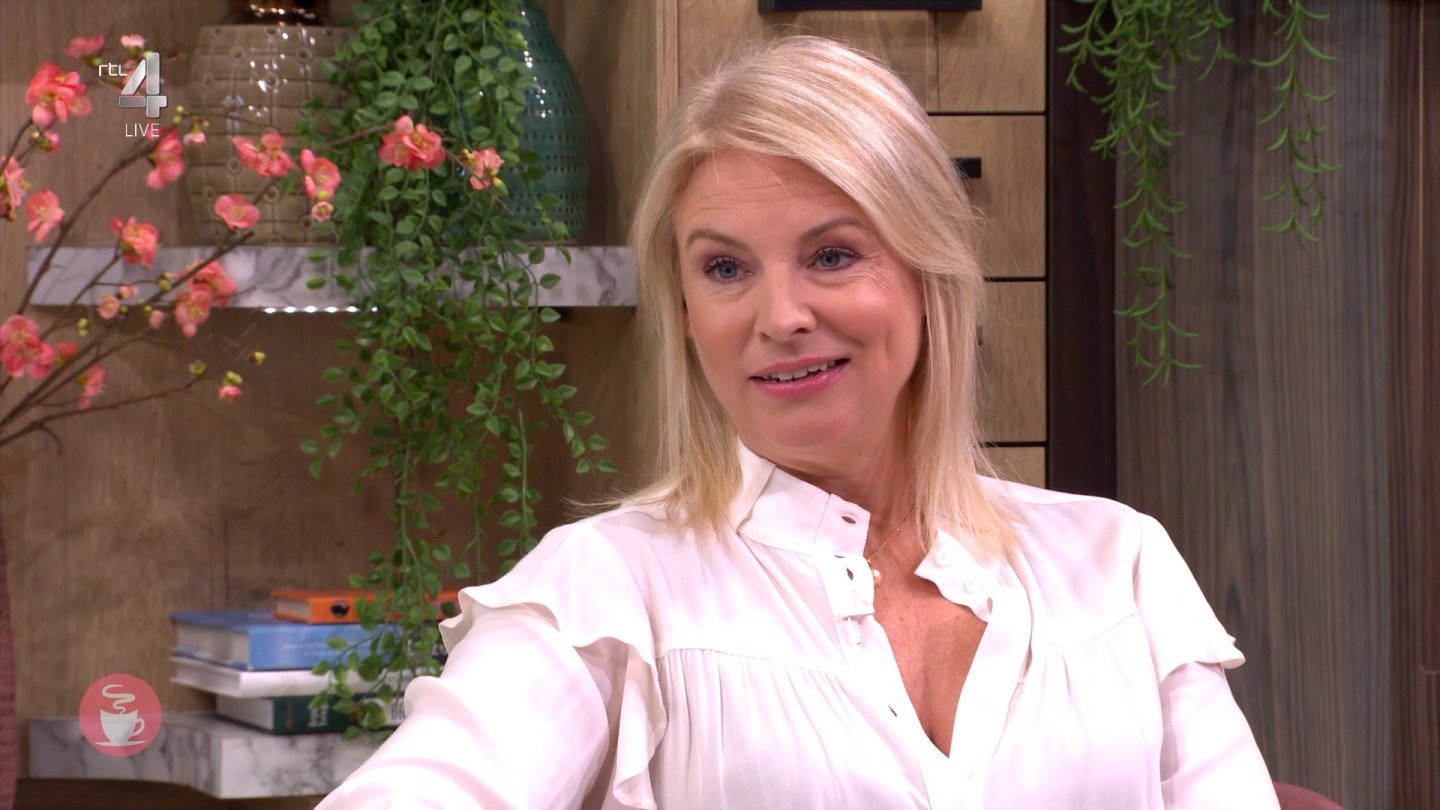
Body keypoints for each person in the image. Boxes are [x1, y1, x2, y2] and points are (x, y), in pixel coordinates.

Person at [317, 35, 1280, 809]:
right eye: (725, 268)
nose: (779, 317)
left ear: (928, 272)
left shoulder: (1119, 565)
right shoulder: (608, 589)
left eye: (832, 255)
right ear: (684, 309)